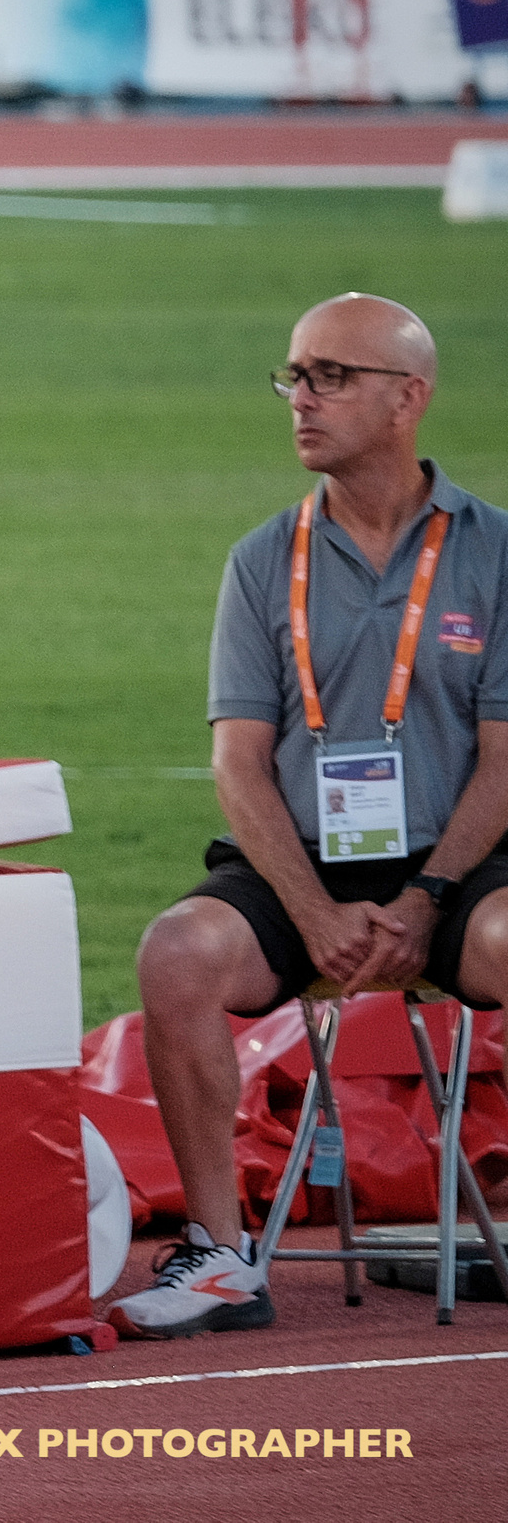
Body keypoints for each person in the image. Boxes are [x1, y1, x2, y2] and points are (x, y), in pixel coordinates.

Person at [113, 293, 508, 1340]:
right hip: (303, 862)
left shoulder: (493, 552)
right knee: (177, 953)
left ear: (406, 399)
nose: (302, 397)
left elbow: (506, 762)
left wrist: (426, 898)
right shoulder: (262, 560)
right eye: (294, 374)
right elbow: (238, 765)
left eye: (332, 375)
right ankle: (217, 1258)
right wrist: (313, 908)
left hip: (459, 863)